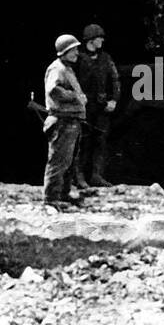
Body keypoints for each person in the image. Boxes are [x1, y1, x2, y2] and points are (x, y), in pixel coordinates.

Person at [73, 23, 120, 188]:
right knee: (82, 142)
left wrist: (114, 99)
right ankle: (78, 177)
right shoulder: (78, 58)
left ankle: (96, 175)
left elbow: (115, 80)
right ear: (91, 40)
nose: (102, 40)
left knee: (100, 141)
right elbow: (70, 79)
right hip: (83, 106)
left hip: (100, 106)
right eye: (99, 37)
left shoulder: (106, 58)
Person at [42, 34, 87, 207]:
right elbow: (53, 89)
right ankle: (51, 199)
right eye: (73, 49)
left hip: (71, 121)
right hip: (62, 121)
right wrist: (75, 97)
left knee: (69, 161)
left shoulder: (66, 68)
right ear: (65, 51)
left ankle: (64, 194)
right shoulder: (57, 69)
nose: (77, 52)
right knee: (59, 161)